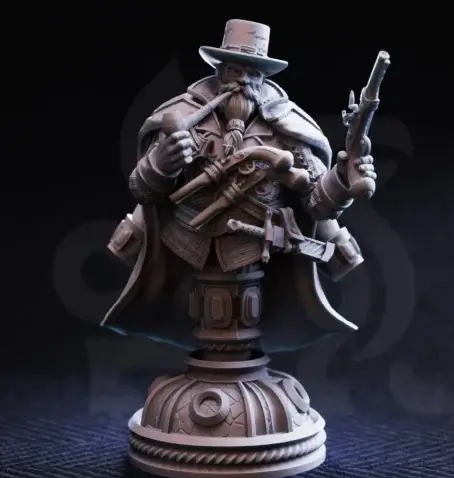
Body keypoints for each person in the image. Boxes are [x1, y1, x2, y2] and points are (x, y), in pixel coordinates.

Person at [101, 18, 377, 352]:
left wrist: (344, 178)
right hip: (185, 241)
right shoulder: (185, 117)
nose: (243, 80)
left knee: (244, 317)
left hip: (256, 246)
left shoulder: (286, 128)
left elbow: (317, 203)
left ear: (264, 79)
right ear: (219, 71)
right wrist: (161, 164)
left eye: (253, 74)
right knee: (193, 310)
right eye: (234, 70)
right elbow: (143, 191)